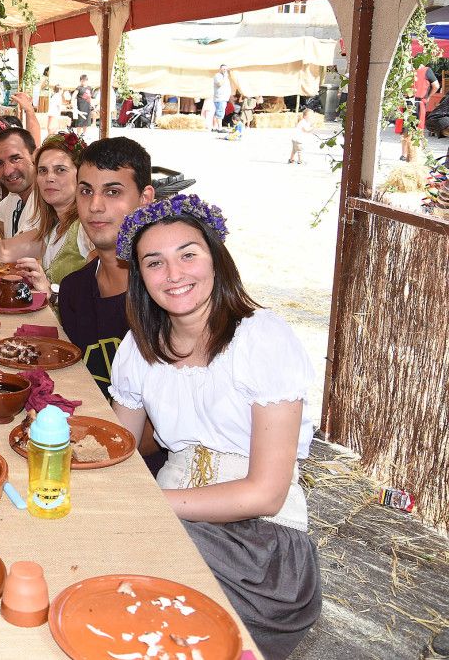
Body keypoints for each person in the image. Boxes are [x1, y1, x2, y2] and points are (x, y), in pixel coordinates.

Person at [108, 194, 321, 659]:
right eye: (155, 262)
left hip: (260, 546)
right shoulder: (140, 345)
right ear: (140, 277)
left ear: (216, 259)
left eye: (188, 254)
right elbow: (116, 450)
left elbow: (266, 493)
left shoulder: (262, 339)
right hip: (168, 519)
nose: (175, 274)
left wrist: (147, 505)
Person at [41, 137, 154, 400]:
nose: (95, 206)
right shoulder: (74, 290)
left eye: (113, 192)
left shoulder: (163, 296)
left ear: (145, 198)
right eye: (86, 191)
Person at [9, 133, 94, 285]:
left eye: (60, 170)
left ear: (80, 175)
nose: (49, 178)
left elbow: (98, 297)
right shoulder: (52, 228)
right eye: (43, 171)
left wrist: (50, 290)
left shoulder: (86, 228)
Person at [0, 128, 42, 260]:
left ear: (35, 156)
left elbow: (1, 252)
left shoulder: (48, 202)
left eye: (15, 159)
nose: (7, 171)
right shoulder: (13, 198)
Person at [212, 64, 232, 130]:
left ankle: (215, 127)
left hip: (224, 97)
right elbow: (219, 84)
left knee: (217, 112)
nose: (225, 70)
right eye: (223, 69)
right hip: (220, 97)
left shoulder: (225, 77)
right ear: (220, 69)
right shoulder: (218, 75)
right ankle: (219, 128)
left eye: (226, 69)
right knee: (220, 112)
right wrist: (225, 77)